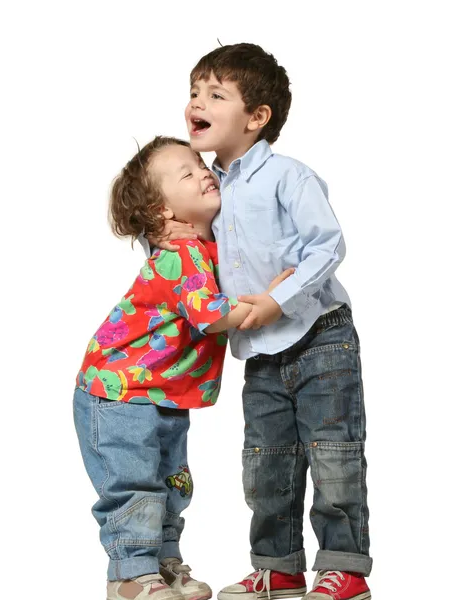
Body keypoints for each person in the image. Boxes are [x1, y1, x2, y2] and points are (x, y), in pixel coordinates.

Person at [151, 44, 372, 600]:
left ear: (256, 118)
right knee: (265, 462)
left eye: (215, 95)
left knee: (333, 454)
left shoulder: (287, 177)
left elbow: (327, 247)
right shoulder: (207, 191)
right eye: (194, 92)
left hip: (321, 336)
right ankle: (278, 567)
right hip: (260, 350)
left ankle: (344, 568)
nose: (196, 102)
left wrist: (279, 299)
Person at [73, 134, 293, 600]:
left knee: (173, 482)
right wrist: (272, 302)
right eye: (187, 173)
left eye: (200, 164)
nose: (204, 172)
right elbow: (211, 315)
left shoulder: (207, 251)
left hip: (161, 394)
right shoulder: (180, 255)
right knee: (135, 483)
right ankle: (130, 574)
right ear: (163, 215)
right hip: (119, 393)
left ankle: (164, 563)